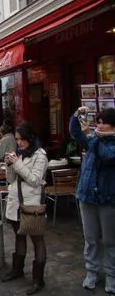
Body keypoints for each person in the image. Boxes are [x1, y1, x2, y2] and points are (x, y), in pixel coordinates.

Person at [69, 107, 115, 294]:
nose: (101, 125)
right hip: (87, 196)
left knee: (110, 240)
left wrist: (91, 136)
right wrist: (76, 116)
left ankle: (111, 275)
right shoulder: (93, 139)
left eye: (105, 122)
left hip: (107, 198)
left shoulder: (106, 142)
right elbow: (75, 132)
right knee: (91, 239)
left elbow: (106, 154)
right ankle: (92, 272)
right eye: (99, 121)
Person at [2, 122, 48, 295]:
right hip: (15, 202)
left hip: (31, 203)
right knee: (19, 236)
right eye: (17, 140)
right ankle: (17, 269)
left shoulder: (40, 155)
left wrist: (17, 164)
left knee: (37, 239)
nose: (19, 143)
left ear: (30, 138)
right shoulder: (18, 154)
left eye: (21, 139)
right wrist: (9, 165)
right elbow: (11, 179)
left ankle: (38, 279)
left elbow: (35, 180)